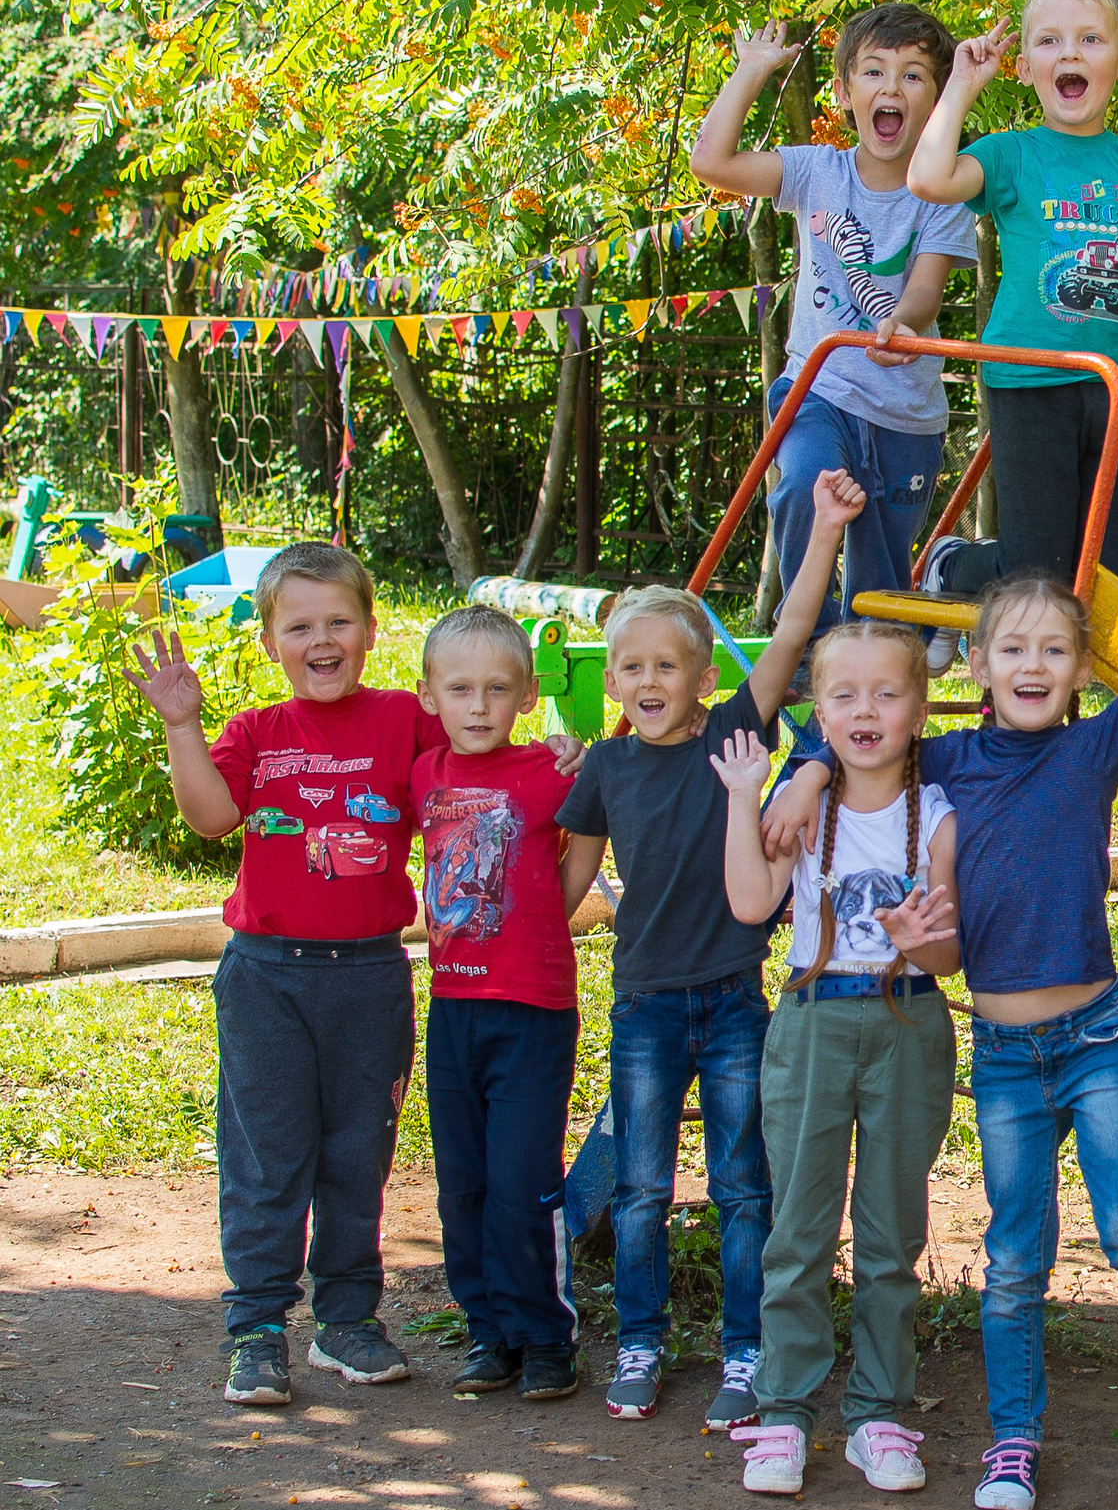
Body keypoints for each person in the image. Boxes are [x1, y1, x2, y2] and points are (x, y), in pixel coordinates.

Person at [767, 458, 1118, 1510]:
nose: (1033, 663)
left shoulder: (1092, 752)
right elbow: (867, 722)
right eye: (1012, 648)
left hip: (1097, 1040)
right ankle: (1014, 1434)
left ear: (1079, 669)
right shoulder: (941, 762)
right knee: (1010, 1256)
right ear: (980, 666)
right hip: (1000, 1054)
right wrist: (810, 761)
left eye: (1053, 648)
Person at [126, 543, 580, 1406]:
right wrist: (183, 725)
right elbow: (212, 817)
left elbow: (477, 762)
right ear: (269, 641)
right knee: (267, 1154)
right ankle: (258, 1328)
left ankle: (345, 1321)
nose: (321, 639)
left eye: (339, 621)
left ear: (371, 632)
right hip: (266, 975)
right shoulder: (257, 731)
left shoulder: (405, 722)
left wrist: (558, 755)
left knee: (356, 1154)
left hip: (373, 975)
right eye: (300, 625)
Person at [555, 469, 868, 1427]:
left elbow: (787, 640)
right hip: (644, 1002)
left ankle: (744, 1350)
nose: (648, 681)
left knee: (742, 1187)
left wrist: (820, 530)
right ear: (611, 681)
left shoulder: (733, 733)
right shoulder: (603, 768)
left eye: (667, 666)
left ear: (701, 679)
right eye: (631, 667)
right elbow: (562, 886)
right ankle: (641, 1340)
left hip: (734, 999)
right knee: (642, 1189)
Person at [711, 620, 961, 1498]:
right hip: (813, 1023)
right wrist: (750, 797)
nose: (867, 711)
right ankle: (782, 1411)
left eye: (888, 694)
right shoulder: (799, 805)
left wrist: (916, 939)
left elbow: (947, 954)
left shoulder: (937, 812)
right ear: (819, 713)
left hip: (907, 1020)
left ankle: (882, 1414)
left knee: (893, 1233)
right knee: (800, 1230)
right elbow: (750, 902)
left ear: (918, 711)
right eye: (845, 695)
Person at [907, 0, 1118, 645]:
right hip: (1030, 376)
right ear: (1025, 67)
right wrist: (961, 84)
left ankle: (1072, 692)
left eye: (1090, 39)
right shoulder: (1013, 154)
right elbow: (928, 178)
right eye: (1049, 40)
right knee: (1037, 567)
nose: (1069, 54)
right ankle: (954, 564)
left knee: (1107, 569)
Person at [690, 5, 979, 632]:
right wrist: (751, 72)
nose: (892, 88)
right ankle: (808, 638)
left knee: (879, 577)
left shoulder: (943, 190)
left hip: (904, 410)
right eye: (874, 72)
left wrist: (900, 322)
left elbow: (926, 288)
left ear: (935, 99)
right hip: (817, 387)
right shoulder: (816, 172)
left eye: (913, 76)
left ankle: (876, 672)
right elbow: (712, 163)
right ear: (845, 93)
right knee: (801, 487)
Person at [410, 605, 601, 1404]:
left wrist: (553, 909)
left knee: (523, 1181)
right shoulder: (423, 772)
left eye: (498, 688)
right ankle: (488, 1333)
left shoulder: (551, 771)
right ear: (429, 696)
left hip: (532, 1006)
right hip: (453, 1009)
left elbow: (587, 831)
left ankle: (545, 1336)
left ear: (527, 695)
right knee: (464, 1184)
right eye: (460, 688)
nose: (479, 705)